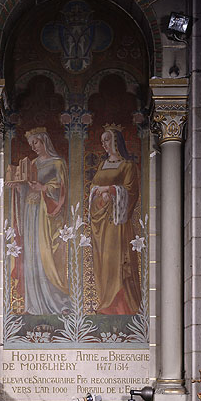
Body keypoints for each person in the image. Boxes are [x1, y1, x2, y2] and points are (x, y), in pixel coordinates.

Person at [7, 127, 70, 315]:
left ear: (44, 141)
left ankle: (55, 303)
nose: (33, 146)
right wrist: (19, 187)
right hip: (30, 211)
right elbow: (27, 189)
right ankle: (33, 305)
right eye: (31, 144)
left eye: (36, 142)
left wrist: (43, 188)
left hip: (45, 213)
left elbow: (62, 189)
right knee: (31, 254)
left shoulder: (57, 163)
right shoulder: (32, 163)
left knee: (45, 256)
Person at [89, 124, 141, 314]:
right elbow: (93, 187)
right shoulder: (102, 165)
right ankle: (105, 303)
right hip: (101, 220)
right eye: (102, 141)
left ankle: (122, 307)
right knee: (103, 261)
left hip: (118, 222)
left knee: (117, 260)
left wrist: (110, 190)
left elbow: (131, 191)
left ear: (116, 141)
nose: (104, 144)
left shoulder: (127, 165)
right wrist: (98, 193)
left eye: (107, 140)